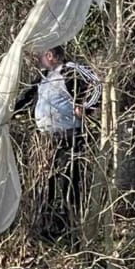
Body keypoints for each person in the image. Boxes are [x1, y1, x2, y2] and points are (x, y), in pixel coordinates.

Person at [14, 45, 101, 236]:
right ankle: (47, 226)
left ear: (50, 55)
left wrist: (86, 106)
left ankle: (73, 226)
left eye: (41, 56)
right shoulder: (44, 76)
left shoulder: (70, 70)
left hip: (69, 136)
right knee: (46, 183)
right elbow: (26, 97)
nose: (38, 60)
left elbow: (97, 85)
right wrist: (8, 113)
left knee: (70, 181)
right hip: (46, 140)